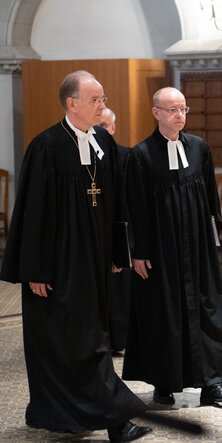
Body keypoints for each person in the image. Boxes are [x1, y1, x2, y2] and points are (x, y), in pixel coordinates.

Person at [0, 70, 151, 441]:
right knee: (64, 344)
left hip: (95, 260)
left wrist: (118, 251)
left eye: (103, 98)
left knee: (90, 339)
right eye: (96, 99)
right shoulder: (47, 146)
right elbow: (33, 212)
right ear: (73, 104)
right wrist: (35, 269)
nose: (104, 105)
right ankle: (102, 418)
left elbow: (115, 203)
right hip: (59, 265)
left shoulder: (102, 140)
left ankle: (83, 415)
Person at [122, 86, 222, 407]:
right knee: (164, 313)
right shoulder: (141, 154)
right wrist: (140, 251)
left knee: (207, 309)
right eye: (172, 109)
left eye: (183, 109)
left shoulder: (199, 148)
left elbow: (211, 199)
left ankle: (212, 384)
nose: (179, 115)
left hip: (198, 247)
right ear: (156, 112)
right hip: (161, 249)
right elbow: (136, 207)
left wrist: (213, 231)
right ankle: (164, 383)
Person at [99, 107, 132, 354]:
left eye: (105, 127)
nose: (101, 131)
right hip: (93, 232)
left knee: (120, 289)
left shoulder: (127, 157)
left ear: (113, 128)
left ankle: (119, 339)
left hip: (120, 229)